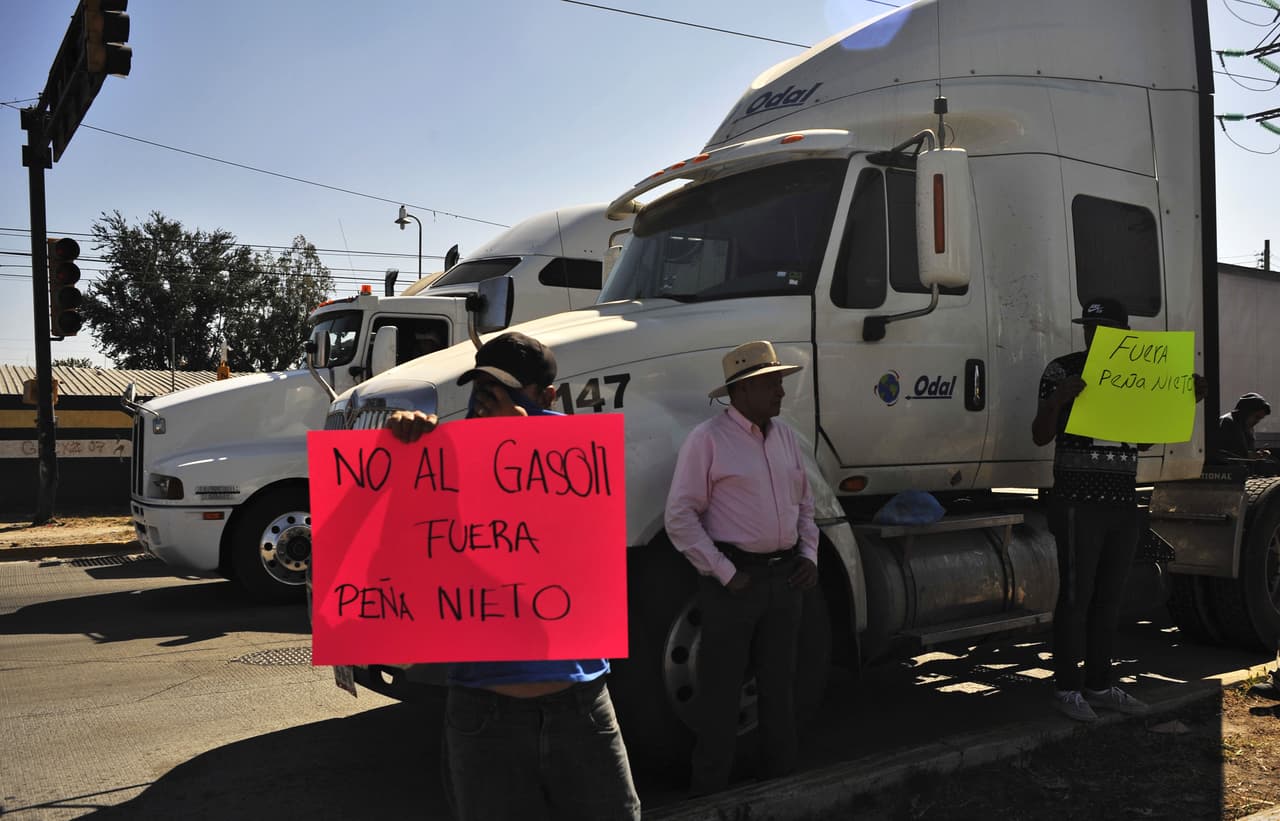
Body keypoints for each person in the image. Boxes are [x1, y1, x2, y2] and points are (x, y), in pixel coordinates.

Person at [385, 331, 641, 821]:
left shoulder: (577, 454)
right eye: (482, 388)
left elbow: (580, 545)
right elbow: (408, 545)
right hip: (481, 709)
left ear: (548, 396)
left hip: (580, 703)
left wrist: (520, 447)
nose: (489, 401)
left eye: (506, 390)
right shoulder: (444, 455)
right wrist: (401, 450)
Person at [1032, 297, 1204, 722]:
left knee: (1109, 598)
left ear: (1122, 333)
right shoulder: (1062, 370)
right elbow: (1040, 435)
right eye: (1090, 327)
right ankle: (1066, 689)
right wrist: (1057, 401)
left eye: (1105, 328)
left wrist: (1183, 400)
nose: (1095, 335)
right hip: (1077, 501)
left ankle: (1099, 685)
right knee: (1076, 597)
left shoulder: (1135, 376)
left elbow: (1142, 442)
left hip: (1122, 501)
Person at [664, 339, 820, 795]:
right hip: (736, 581)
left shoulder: (786, 437)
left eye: (779, 382)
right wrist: (725, 573)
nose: (781, 391)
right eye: (772, 383)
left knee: (779, 685)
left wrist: (809, 556)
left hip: (785, 578)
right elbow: (680, 516)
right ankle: (710, 790)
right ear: (742, 390)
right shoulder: (707, 439)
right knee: (721, 690)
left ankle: (780, 781)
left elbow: (805, 506)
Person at [1210, 392, 1272, 462]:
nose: (1257, 421)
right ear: (1246, 412)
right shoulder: (1228, 422)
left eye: (1260, 418)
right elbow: (1224, 452)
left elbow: (1242, 451)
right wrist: (1251, 455)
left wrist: (1256, 455)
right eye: (1256, 417)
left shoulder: (1246, 426)